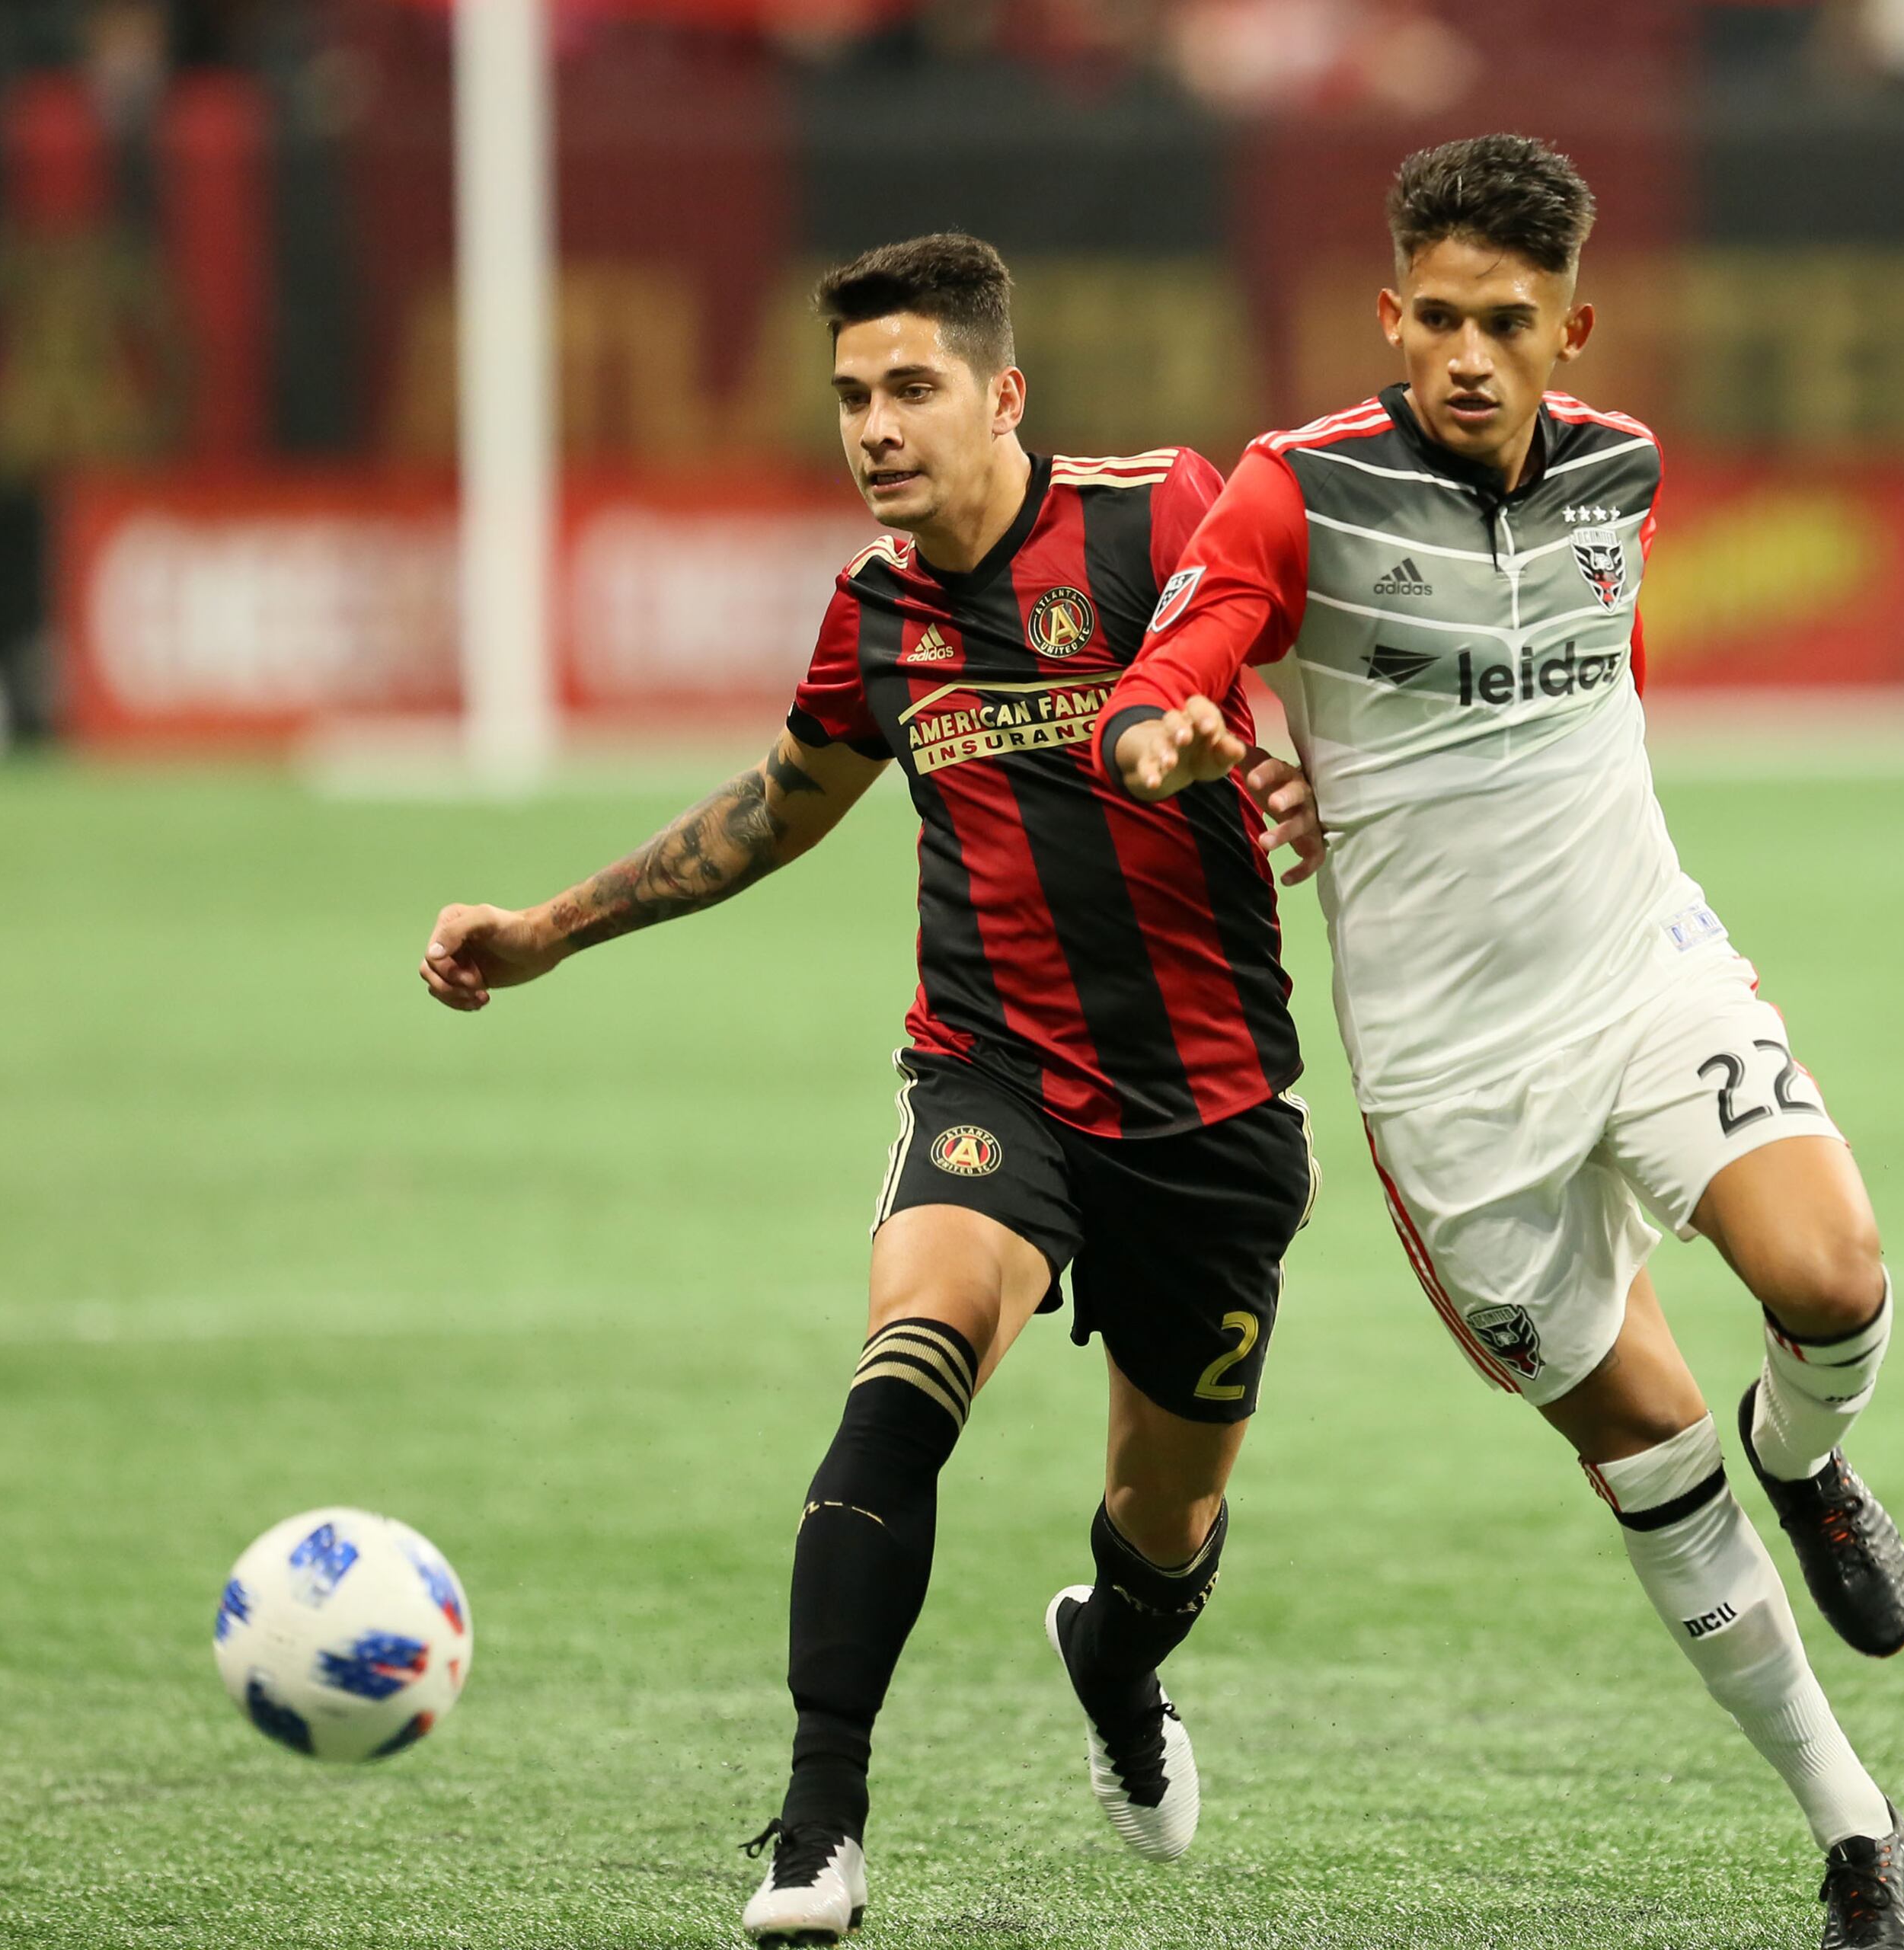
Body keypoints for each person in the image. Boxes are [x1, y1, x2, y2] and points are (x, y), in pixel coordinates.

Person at [419, 235, 1321, 1948]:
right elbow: (774, 807)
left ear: (1004, 394)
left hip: (1211, 1114)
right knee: (908, 1366)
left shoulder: (1156, 519)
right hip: (993, 1073)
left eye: (912, 388)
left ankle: (1115, 1664)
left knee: (1164, 1525)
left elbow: (1315, 650)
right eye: (851, 396)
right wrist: (544, 930)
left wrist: (1284, 766)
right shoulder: (875, 612)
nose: (878, 428)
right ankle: (817, 1822)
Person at [1094, 137, 1904, 1947]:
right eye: (1440, 319)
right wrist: (1175, 739)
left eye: (1510, 322)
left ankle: (1813, 1461)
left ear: (1574, 328)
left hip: (1645, 976)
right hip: (1454, 1083)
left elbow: (1602, 681)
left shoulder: (1624, 469)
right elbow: (1171, 676)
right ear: (1390, 314)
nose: (1470, 353)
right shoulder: (1295, 492)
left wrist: (1660, 885)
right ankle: (1855, 1821)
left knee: (1837, 1274)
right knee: (1646, 1449)